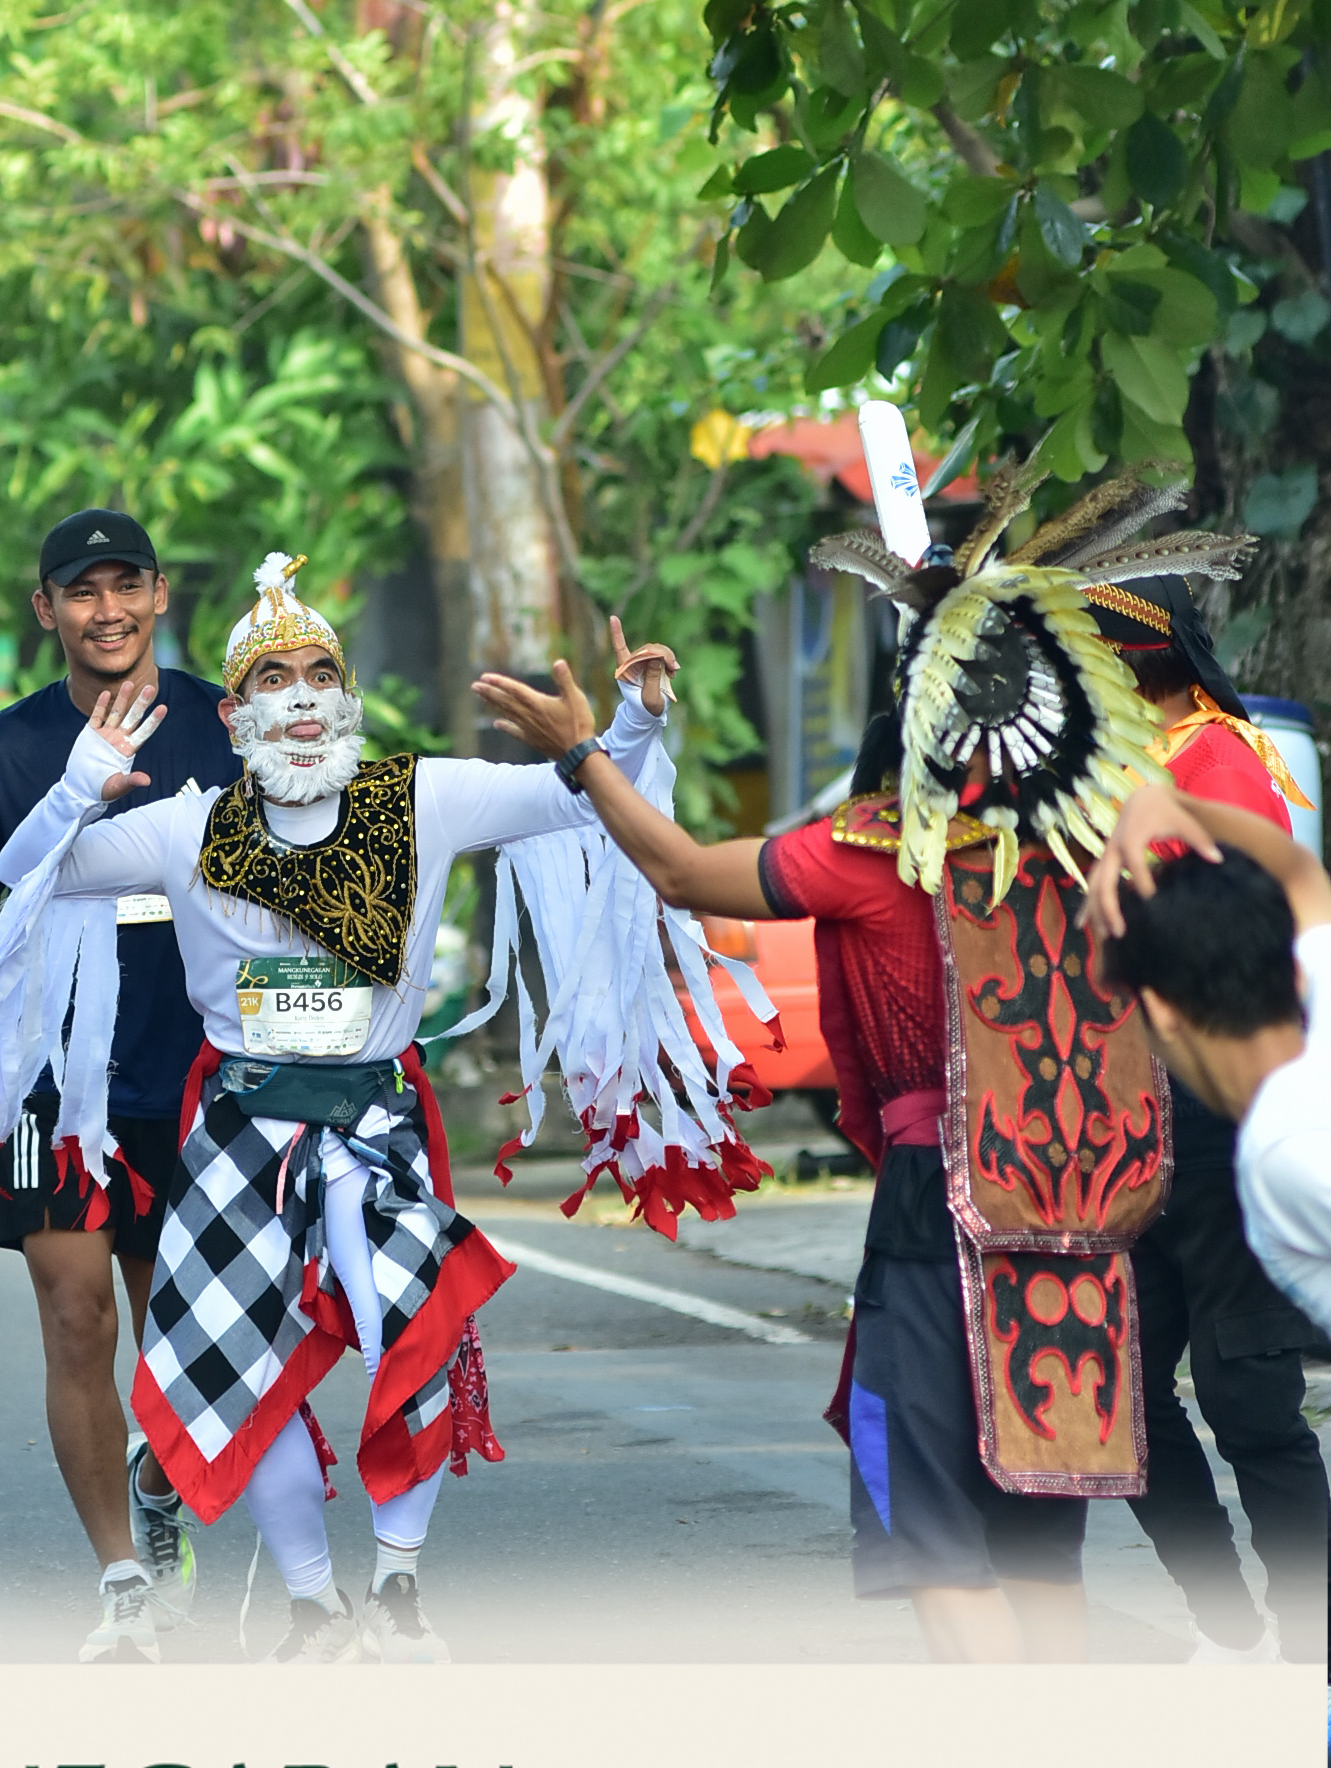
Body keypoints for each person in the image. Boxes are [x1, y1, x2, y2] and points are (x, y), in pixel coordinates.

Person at [474, 458, 1241, 1666]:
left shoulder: (874, 848)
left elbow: (677, 870)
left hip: (935, 1211)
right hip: (1080, 1216)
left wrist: (585, 755)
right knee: (1038, 1548)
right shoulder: (1107, 846)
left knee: (926, 1534)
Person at [0, 547, 691, 1671]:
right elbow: (25, 876)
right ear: (234, 714)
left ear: (346, 700)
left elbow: (578, 801)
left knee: (414, 1334)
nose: (299, 698)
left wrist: (630, 725)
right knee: (236, 1366)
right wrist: (79, 782)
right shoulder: (186, 826)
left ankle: (397, 1588)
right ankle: (308, 1606)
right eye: (271, 679)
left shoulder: (421, 796)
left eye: (319, 675)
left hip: (375, 1122)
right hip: (239, 1133)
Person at [0, 510, 235, 1665]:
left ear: (158, 593)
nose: (107, 611)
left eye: (125, 585)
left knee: (181, 1337)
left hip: (195, 1074)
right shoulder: (2, 751)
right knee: (75, 1317)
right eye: (81, 591)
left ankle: (159, 1479)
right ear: (46, 608)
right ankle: (120, 1576)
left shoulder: (226, 727)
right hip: (46, 1079)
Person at [1083, 577, 1324, 1661]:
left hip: (1216, 1115)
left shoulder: (1215, 759)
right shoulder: (1127, 765)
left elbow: (1248, 920)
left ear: (1138, 663)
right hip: (1129, 1115)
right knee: (1122, 1395)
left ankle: (1312, 1640)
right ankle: (1222, 1621)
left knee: (1247, 1397)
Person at [1088, 784, 1331, 1466]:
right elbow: (1300, 873)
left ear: (1162, 1011)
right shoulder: (1319, 990)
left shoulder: (1286, 1145)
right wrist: (1176, 806)